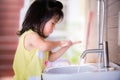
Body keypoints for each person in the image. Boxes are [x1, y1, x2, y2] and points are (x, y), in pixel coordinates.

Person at [13, 0, 81, 80]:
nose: (54, 28)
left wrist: (66, 47)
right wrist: (59, 43)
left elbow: (51, 57)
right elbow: (44, 46)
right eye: (53, 23)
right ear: (39, 19)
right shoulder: (31, 36)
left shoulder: (40, 40)